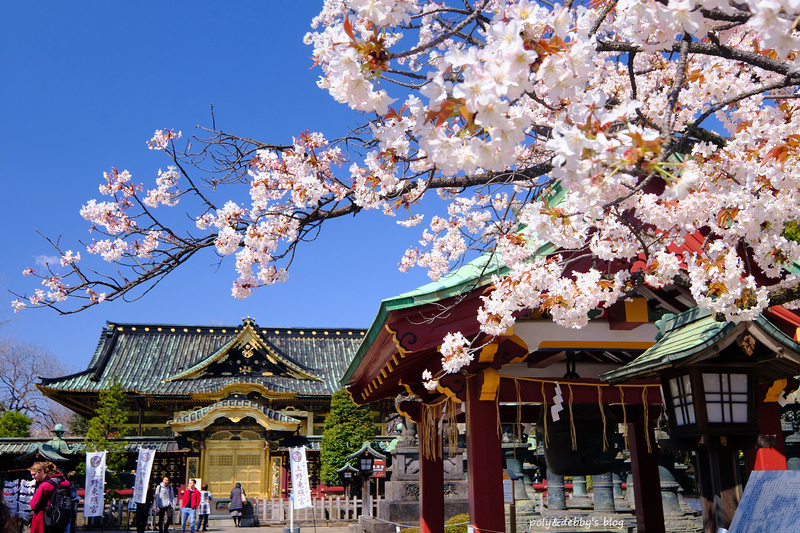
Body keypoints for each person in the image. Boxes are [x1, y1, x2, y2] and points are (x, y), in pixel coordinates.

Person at [29, 461, 65, 533]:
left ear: (41, 471)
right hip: (57, 515)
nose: (33, 477)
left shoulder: (45, 485)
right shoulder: (60, 481)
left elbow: (33, 504)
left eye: (34, 474)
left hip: (43, 516)